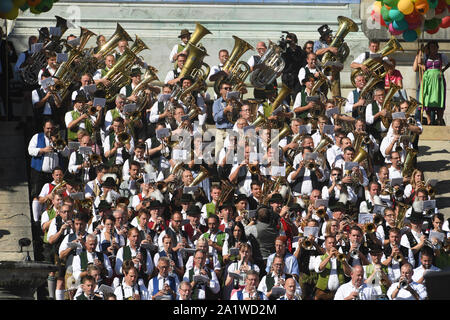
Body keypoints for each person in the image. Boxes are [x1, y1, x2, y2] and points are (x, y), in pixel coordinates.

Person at [413, 40, 449, 125]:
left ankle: (439, 119)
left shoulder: (441, 56)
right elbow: (418, 63)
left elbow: (448, 63)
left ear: (437, 47)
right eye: (431, 47)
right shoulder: (426, 56)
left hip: (438, 80)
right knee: (427, 99)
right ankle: (429, 121)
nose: (433, 48)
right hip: (428, 79)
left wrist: (443, 70)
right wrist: (421, 51)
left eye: (434, 47)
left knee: (439, 98)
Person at [313, 235, 352, 300]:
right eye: (330, 243)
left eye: (334, 243)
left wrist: (343, 261)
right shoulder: (319, 258)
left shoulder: (341, 257)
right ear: (325, 245)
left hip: (338, 292)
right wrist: (329, 256)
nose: (332, 245)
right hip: (323, 292)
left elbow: (348, 274)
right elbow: (319, 269)